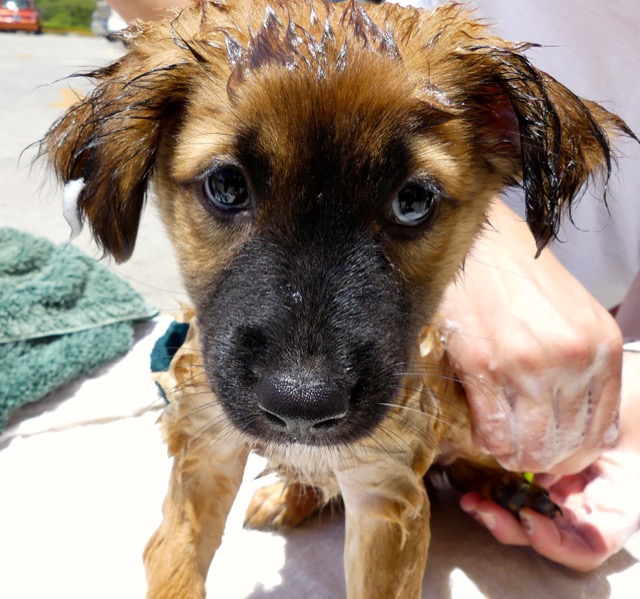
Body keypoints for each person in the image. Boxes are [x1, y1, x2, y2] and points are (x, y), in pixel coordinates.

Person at [107, 0, 640, 572]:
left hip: (589, 342)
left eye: (413, 202)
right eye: (229, 189)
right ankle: (310, 482)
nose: (303, 384)